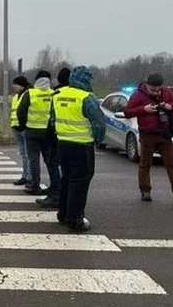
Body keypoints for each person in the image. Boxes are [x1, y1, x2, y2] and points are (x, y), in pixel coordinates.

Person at [124, 72, 173, 204]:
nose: (156, 90)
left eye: (158, 87)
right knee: (145, 164)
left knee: (172, 164)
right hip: (147, 135)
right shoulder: (137, 95)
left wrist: (170, 107)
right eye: (153, 88)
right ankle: (145, 191)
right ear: (147, 84)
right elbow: (127, 112)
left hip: (164, 134)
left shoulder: (166, 92)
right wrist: (144, 109)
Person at [51, 65, 105, 232]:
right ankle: (75, 219)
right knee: (79, 183)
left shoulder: (58, 95)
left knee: (66, 179)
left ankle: (63, 212)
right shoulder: (87, 98)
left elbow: (53, 120)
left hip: (63, 144)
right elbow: (98, 125)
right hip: (82, 146)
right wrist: (97, 141)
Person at [17, 70, 61, 207]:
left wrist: (24, 125)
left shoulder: (30, 93)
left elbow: (21, 112)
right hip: (48, 133)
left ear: (36, 80)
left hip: (32, 131)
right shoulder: (53, 93)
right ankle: (54, 187)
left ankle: (35, 185)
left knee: (33, 159)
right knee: (50, 161)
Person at [10, 76, 31, 186]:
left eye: (15, 84)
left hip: (25, 128)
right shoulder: (15, 97)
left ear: (21, 85)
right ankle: (25, 176)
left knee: (28, 154)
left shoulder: (28, 95)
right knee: (23, 154)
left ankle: (29, 177)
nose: (13, 86)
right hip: (16, 127)